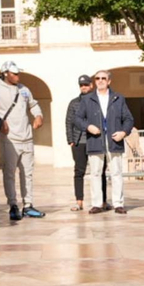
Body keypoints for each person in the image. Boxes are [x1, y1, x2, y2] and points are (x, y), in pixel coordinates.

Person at [72, 70, 134, 214]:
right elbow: (77, 118)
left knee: (116, 172)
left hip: (114, 140)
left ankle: (118, 204)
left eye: (103, 78)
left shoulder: (118, 98)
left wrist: (123, 133)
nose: (100, 80)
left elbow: (129, 119)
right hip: (95, 140)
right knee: (95, 173)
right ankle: (97, 204)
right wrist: (88, 127)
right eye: (97, 78)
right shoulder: (88, 99)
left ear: (109, 81)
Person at [0, 61, 45, 221]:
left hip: (27, 137)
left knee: (28, 173)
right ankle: (13, 205)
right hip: (10, 139)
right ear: (5, 73)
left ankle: (28, 205)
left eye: (18, 73)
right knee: (9, 173)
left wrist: (38, 116)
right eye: (14, 74)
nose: (17, 76)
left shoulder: (24, 89)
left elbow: (33, 104)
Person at [64, 75, 91, 211]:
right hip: (79, 141)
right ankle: (79, 201)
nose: (83, 87)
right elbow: (69, 122)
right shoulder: (74, 103)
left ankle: (102, 201)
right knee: (79, 171)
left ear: (91, 85)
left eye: (86, 84)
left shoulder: (97, 101)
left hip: (95, 141)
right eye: (81, 85)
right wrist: (70, 140)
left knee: (100, 172)